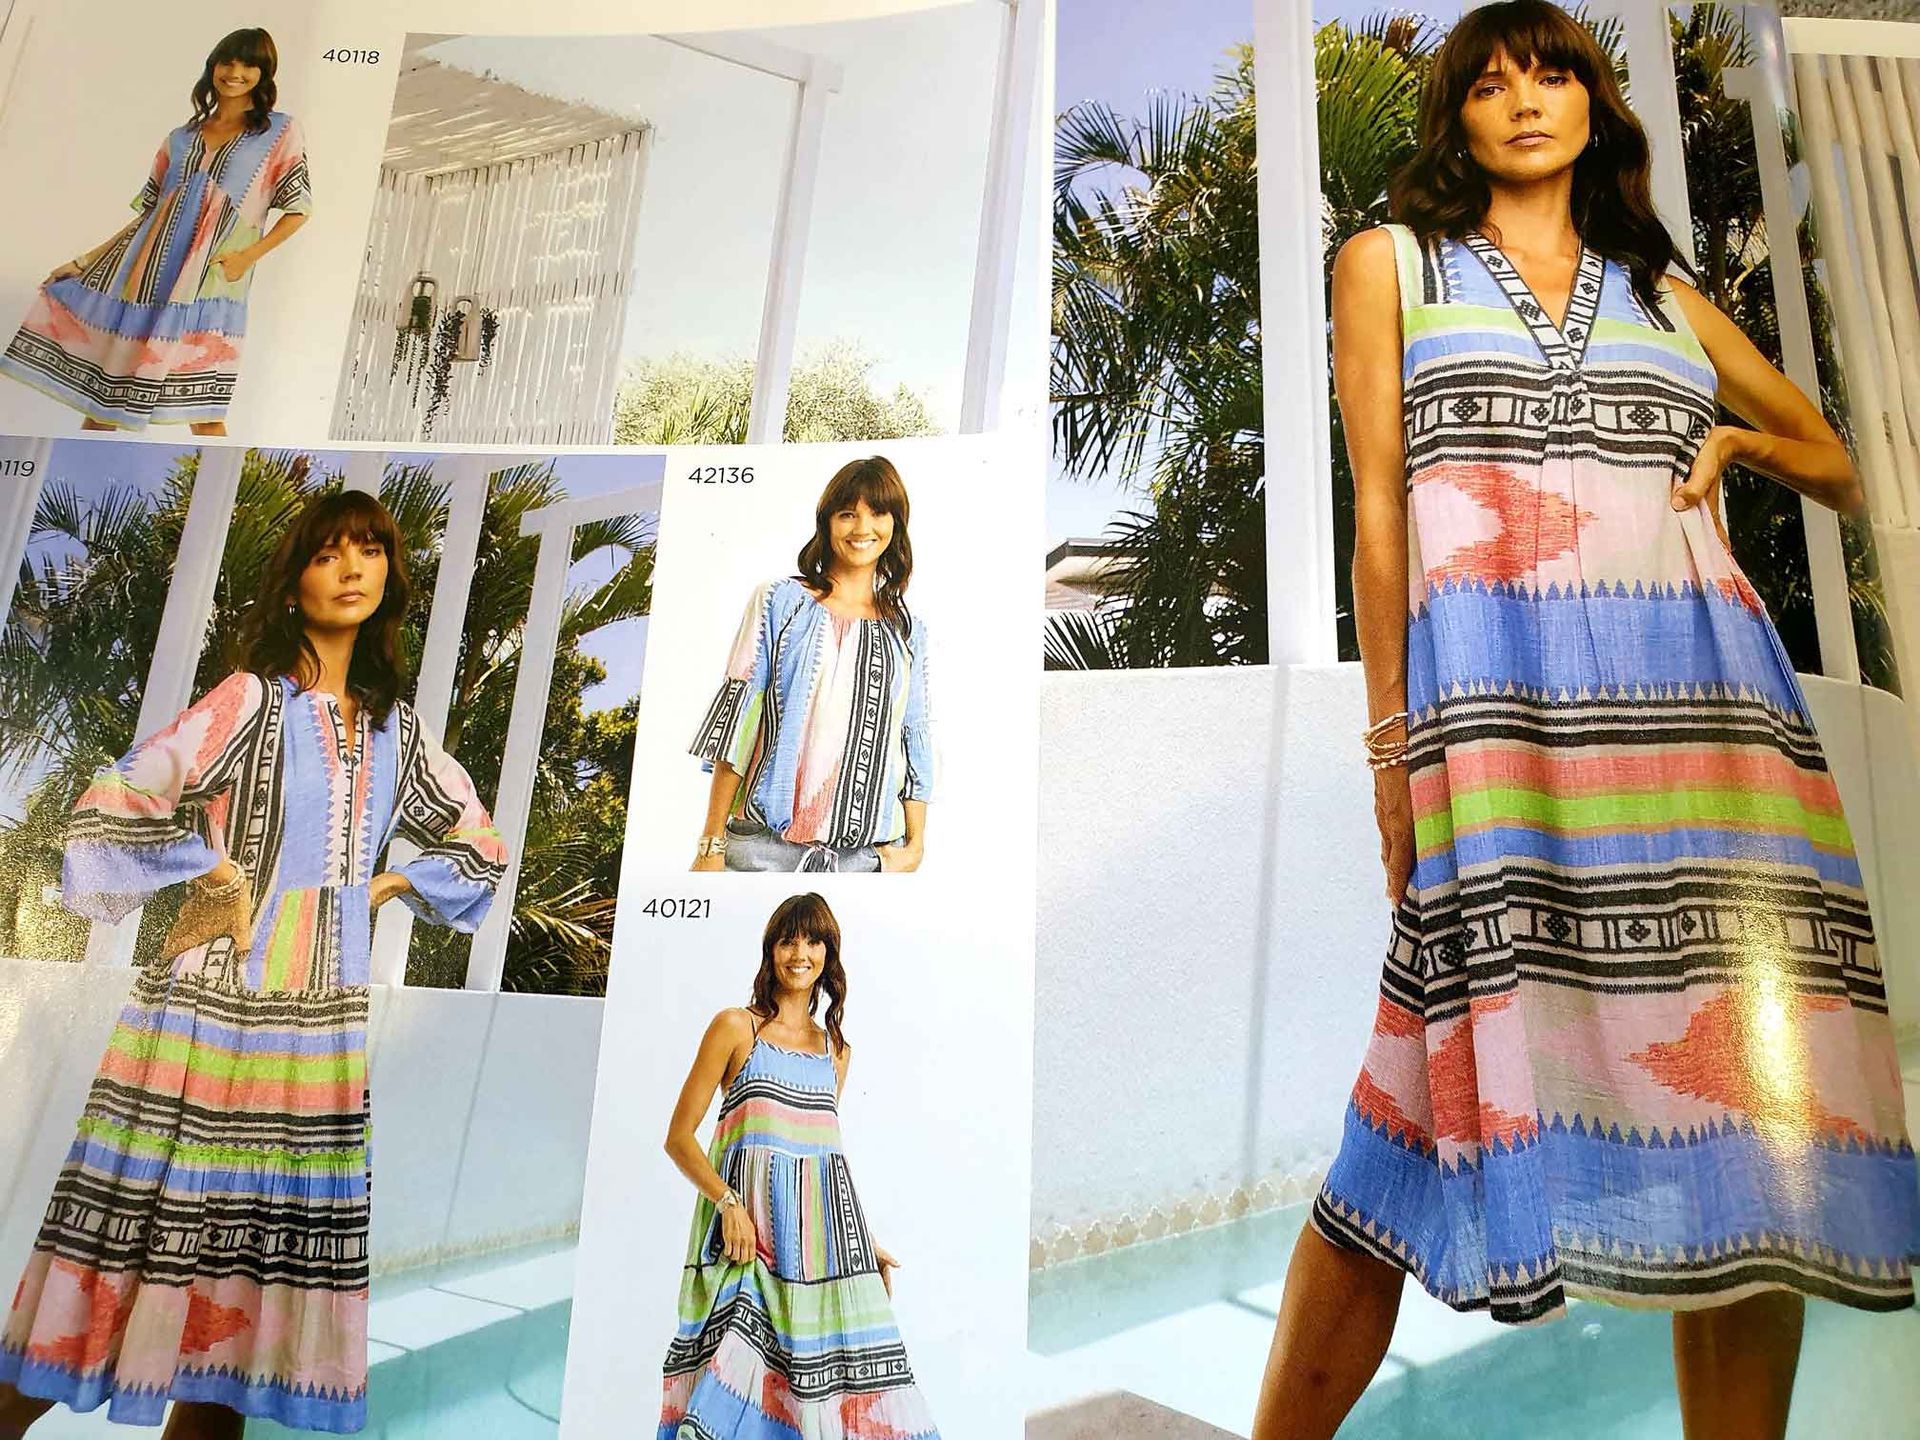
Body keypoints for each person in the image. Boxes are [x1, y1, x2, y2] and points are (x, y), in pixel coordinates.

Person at [1253, 4, 1919, 1437]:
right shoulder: (1390, 267)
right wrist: (1391, 750)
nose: (1522, 99)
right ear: (1458, 123)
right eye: (1488, 83)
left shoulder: (1662, 291)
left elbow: (1840, 463)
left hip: (1718, 736)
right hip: (1502, 743)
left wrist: (1739, 441)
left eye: (1550, 70)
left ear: (1594, 105)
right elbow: (1381, 519)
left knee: (1759, 1121)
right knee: (1396, 1125)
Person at [0, 489, 506, 1437]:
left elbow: (481, 845)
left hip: (319, 1025)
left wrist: (391, 884)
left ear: (391, 578)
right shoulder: (251, 700)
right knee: (128, 1255)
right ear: (292, 584)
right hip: (210, 1005)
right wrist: (217, 864)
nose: (351, 568)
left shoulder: (397, 732)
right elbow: (116, 797)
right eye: (327, 553)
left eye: (368, 552)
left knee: (235, 1332)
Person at [660, 892, 939, 1438]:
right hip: (745, 1244)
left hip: (816, 1252)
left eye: (813, 941)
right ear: (771, 950)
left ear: (828, 956)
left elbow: (826, 1160)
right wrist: (728, 1202)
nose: (800, 952)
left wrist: (861, 1240)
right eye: (789, 939)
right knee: (725, 1396)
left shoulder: (835, 1049)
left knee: (810, 1400)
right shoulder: (736, 1028)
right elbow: (678, 1139)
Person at [0, 27, 312, 434]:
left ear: (264, 73)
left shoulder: (279, 133)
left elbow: (298, 209)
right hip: (143, 284)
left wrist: (245, 258)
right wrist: (83, 261)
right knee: (104, 405)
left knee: (205, 413)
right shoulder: (180, 139)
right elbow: (148, 215)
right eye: (227, 61)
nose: (235, 72)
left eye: (248, 64)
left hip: (210, 285)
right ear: (213, 68)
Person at [689, 457, 934, 874]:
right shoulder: (779, 601)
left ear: (896, 525)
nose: (862, 528)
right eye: (847, 514)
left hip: (866, 861)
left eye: (877, 513)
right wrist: (711, 844)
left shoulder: (906, 629)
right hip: (763, 851)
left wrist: (914, 848)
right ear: (827, 523)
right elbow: (740, 721)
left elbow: (914, 735)